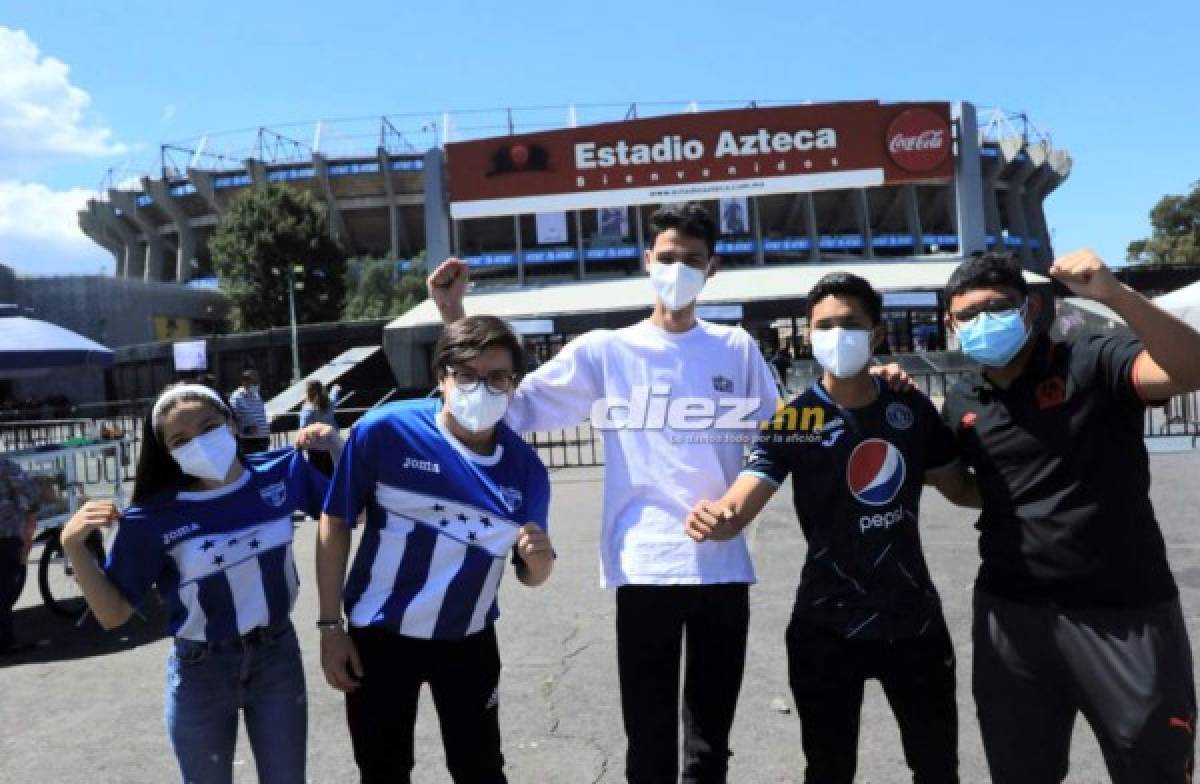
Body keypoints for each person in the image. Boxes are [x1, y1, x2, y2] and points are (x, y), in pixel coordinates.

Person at [427, 203, 919, 784]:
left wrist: (869, 381)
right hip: (645, 570)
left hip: (723, 570)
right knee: (649, 746)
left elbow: (789, 433)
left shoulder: (734, 348)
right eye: (666, 258)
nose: (677, 269)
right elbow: (502, 405)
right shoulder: (604, 350)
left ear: (712, 268)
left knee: (708, 748)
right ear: (646, 262)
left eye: (691, 260)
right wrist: (454, 314)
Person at [685, 272, 979, 784]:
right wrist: (720, 517)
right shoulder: (795, 421)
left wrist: (1034, 490)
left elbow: (959, 488)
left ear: (877, 334)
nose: (838, 335)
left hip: (912, 621)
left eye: (851, 324)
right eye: (825, 326)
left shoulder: (907, 406)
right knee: (828, 770)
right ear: (808, 335)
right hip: (826, 625)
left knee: (937, 768)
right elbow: (746, 495)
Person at [939, 250, 1200, 783]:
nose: (982, 322)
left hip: (1125, 613)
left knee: (1154, 771)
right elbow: (975, 489)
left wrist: (1115, 295)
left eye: (998, 307)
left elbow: (1189, 370)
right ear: (951, 322)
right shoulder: (963, 397)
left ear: (1030, 307)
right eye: (969, 314)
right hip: (1011, 615)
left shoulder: (1088, 357)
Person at [59, 382, 341, 784]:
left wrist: (334, 446)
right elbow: (113, 614)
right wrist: (73, 546)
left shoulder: (283, 471)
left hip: (276, 655)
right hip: (200, 670)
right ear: (166, 452)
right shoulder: (152, 518)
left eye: (209, 427)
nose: (199, 443)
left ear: (231, 421)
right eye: (180, 439)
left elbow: (351, 515)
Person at [316, 315, 555, 784]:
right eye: (466, 375)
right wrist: (330, 627)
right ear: (441, 376)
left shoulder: (526, 470)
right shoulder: (385, 432)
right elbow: (336, 519)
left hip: (468, 642)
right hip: (378, 638)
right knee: (382, 772)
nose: (481, 389)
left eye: (497, 378)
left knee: (481, 770)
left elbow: (532, 572)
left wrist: (539, 561)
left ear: (513, 386)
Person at [0, 456, 40, 654]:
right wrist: (31, 515)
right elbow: (28, 490)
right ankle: (4, 642)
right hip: (5, 535)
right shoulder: (4, 465)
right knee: (4, 590)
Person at [300, 380, 338, 476]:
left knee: (317, 476)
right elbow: (333, 398)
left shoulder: (307, 410)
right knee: (331, 473)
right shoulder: (329, 406)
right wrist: (335, 389)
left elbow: (303, 430)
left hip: (315, 448)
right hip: (331, 445)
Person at [230, 369, 271, 454]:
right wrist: (244, 430)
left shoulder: (257, 395)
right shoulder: (237, 397)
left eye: (258, 381)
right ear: (245, 382)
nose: (257, 385)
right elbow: (231, 419)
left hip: (263, 439)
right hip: (249, 441)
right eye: (255, 382)